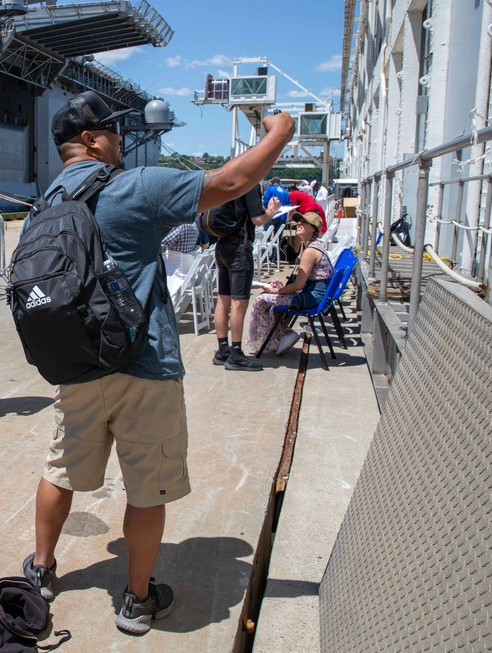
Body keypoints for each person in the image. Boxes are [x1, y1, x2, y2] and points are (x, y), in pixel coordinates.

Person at [21, 90, 293, 635]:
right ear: (92, 140)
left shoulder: (46, 200)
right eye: (113, 133)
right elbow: (232, 184)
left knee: (62, 469)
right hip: (144, 363)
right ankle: (137, 600)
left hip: (77, 363)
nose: (122, 140)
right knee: (148, 487)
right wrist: (278, 134)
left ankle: (43, 571)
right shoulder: (131, 185)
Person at [211, 186, 282, 371]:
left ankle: (223, 350)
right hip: (239, 249)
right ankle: (235, 353)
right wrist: (271, 211)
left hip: (221, 246)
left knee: (222, 299)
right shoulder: (249, 184)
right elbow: (258, 220)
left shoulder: (229, 181)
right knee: (238, 303)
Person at [247, 211, 334, 356]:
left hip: (312, 298)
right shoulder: (313, 247)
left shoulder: (310, 251)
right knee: (273, 305)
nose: (298, 224)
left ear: (313, 228)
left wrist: (276, 291)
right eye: (298, 221)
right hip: (315, 295)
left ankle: (266, 342)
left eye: (303, 222)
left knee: (261, 300)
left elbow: (298, 286)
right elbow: (301, 282)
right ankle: (285, 334)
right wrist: (283, 289)